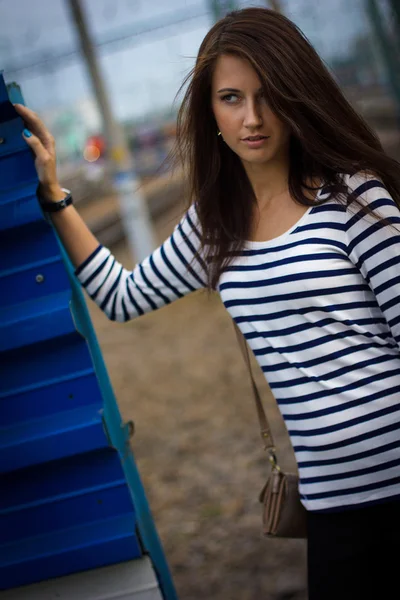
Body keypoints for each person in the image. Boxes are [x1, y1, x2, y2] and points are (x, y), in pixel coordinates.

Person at [15, 7, 400, 600]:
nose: (252, 118)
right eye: (230, 98)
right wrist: (55, 196)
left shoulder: (354, 195)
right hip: (331, 505)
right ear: (209, 109)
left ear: (299, 93)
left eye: (268, 96)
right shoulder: (213, 226)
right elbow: (123, 296)